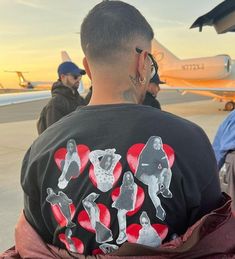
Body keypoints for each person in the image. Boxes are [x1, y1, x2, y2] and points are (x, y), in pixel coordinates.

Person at [19, 1, 222, 256]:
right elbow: (215, 238)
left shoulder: (41, 149)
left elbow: (34, 244)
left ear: (88, 67)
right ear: (143, 61)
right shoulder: (191, 141)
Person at [36, 61, 86, 134]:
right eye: (75, 76)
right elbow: (54, 135)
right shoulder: (55, 103)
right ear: (63, 77)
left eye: (80, 76)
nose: (78, 80)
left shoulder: (80, 100)